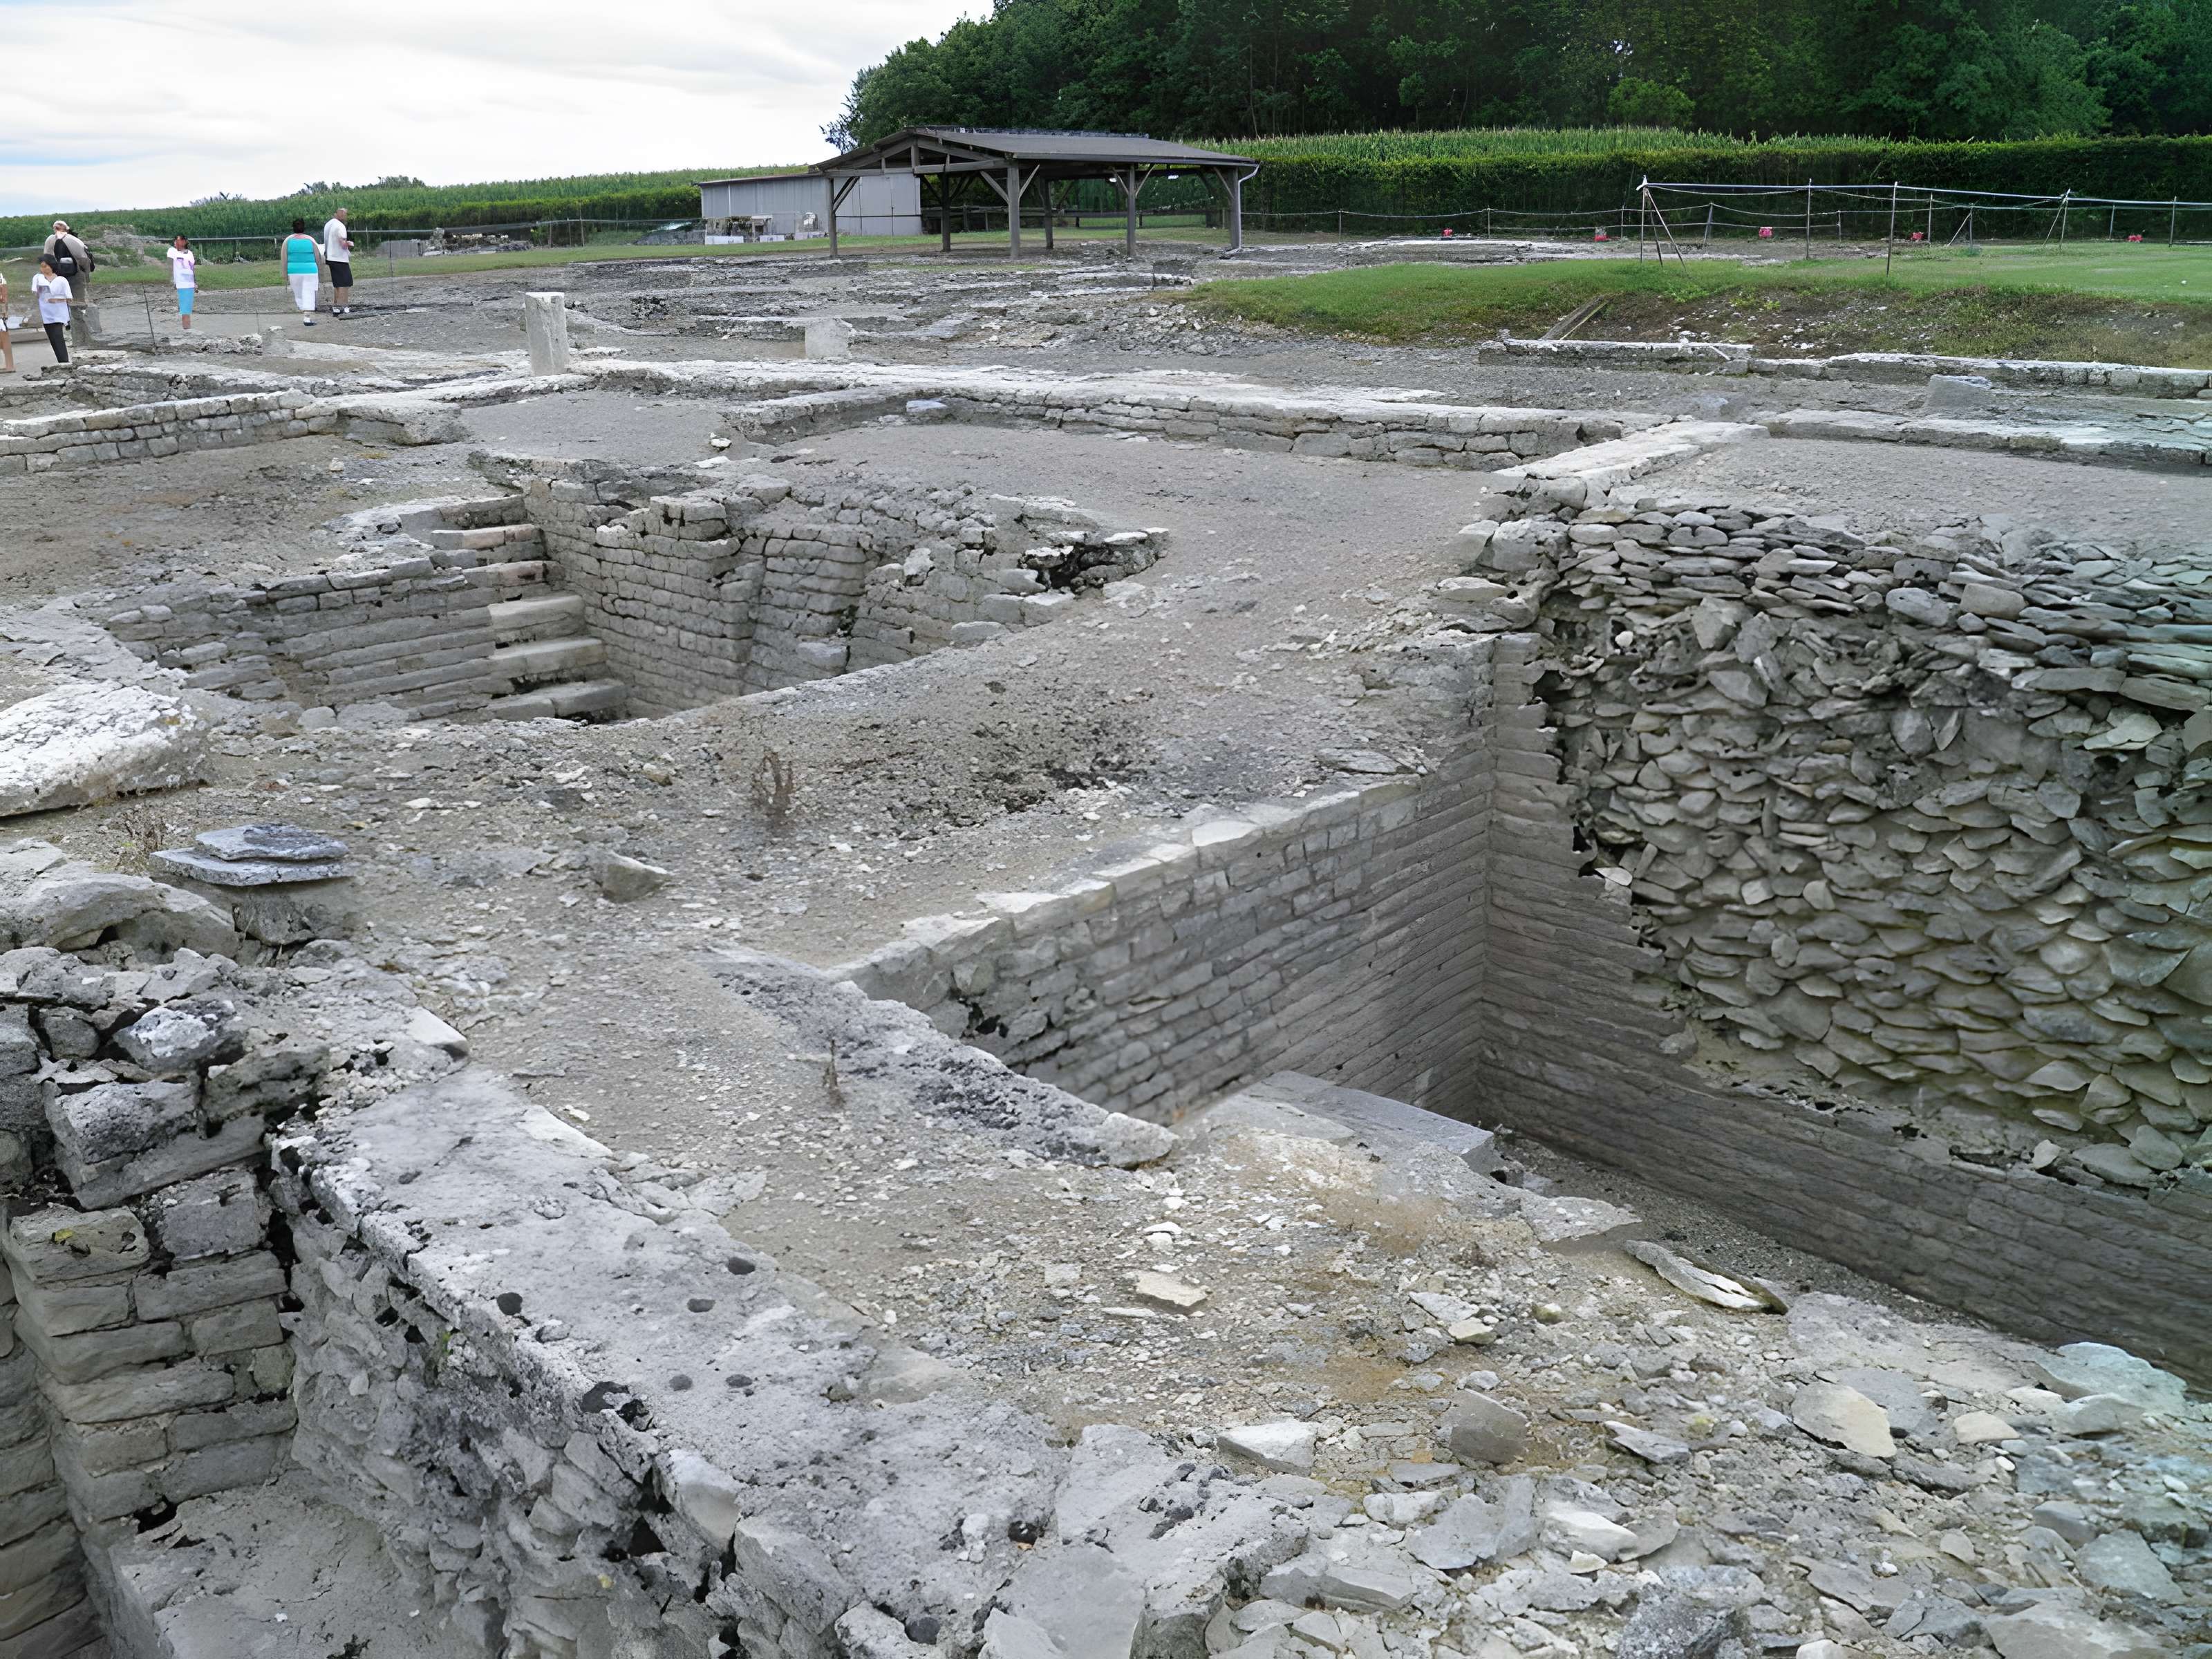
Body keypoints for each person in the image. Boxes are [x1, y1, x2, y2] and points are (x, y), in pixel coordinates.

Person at [42, 221, 93, 347]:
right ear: (67, 229)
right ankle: (81, 337)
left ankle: (67, 328)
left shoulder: (50, 240)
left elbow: (47, 258)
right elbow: (83, 259)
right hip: (75, 276)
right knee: (78, 303)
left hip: (57, 277)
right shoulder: (73, 240)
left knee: (61, 302)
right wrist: (86, 275)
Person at [281, 218, 321, 326]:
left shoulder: (288, 241)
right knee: (309, 292)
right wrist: (319, 269)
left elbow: (284, 258)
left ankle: (302, 309)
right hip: (310, 270)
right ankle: (307, 317)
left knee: (298, 293)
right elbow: (318, 256)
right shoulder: (310, 240)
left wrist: (285, 273)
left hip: (294, 271)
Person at [32, 256, 72, 364]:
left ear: (52, 266)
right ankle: (61, 362)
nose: (44, 269)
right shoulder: (38, 278)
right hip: (46, 314)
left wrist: (56, 299)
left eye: (46, 266)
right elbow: (36, 294)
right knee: (53, 340)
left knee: (58, 337)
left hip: (59, 314)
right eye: (42, 267)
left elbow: (69, 298)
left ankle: (65, 362)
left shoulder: (61, 280)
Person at [322, 207, 353, 316]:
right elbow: (343, 243)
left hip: (330, 257)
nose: (345, 216)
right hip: (340, 258)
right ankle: (344, 306)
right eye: (345, 214)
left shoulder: (328, 225)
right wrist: (349, 244)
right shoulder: (340, 226)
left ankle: (336, 306)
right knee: (345, 283)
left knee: (337, 283)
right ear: (341, 214)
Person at [169, 235, 198, 331]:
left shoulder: (189, 253)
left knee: (186, 309)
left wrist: (195, 283)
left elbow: (192, 268)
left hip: (188, 284)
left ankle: (187, 330)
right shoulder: (172, 251)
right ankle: (186, 330)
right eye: (176, 241)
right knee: (184, 308)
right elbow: (168, 264)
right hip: (180, 283)